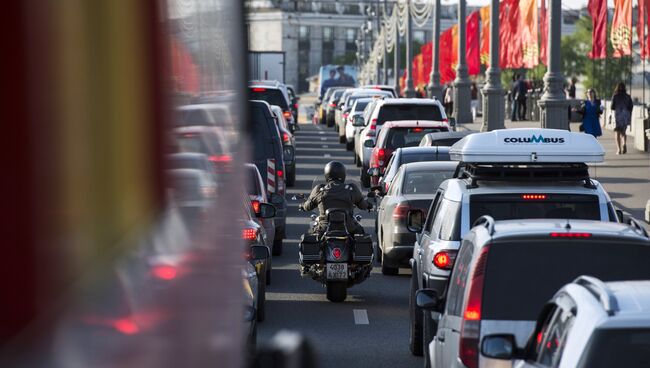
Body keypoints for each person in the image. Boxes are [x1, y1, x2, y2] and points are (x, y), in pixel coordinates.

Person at [299, 161, 372, 235]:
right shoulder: (351, 189)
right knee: (361, 235)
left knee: (312, 235)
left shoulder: (320, 189)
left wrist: (302, 206)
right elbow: (363, 205)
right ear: (343, 174)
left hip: (324, 227)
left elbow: (308, 206)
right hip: (348, 227)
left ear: (327, 174)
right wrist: (369, 205)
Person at [611, 82, 634, 154]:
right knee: (623, 132)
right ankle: (624, 143)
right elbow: (631, 107)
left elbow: (612, 107)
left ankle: (619, 149)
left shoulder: (615, 96)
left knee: (617, 132)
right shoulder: (628, 96)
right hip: (625, 116)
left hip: (618, 116)